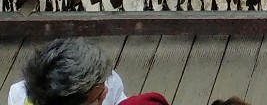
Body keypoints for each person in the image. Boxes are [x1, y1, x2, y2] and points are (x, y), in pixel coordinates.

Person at [9, 39, 165, 105]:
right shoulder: (19, 96)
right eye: (97, 98)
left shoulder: (106, 80)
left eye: (102, 86)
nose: (105, 93)